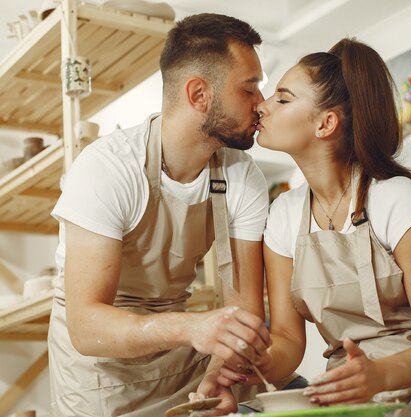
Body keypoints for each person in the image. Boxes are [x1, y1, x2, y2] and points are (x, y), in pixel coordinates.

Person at [218, 38, 411, 416]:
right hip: (352, 390)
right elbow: (288, 339)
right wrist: (252, 365)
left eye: (282, 99)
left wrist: (379, 376)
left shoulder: (397, 198)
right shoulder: (283, 216)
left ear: (325, 123)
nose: (262, 105)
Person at [47, 13, 275, 417]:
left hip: (183, 362)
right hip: (100, 370)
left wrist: (221, 376)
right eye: (249, 89)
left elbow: (244, 315)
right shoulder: (107, 167)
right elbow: (86, 325)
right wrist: (193, 328)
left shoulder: (243, 176)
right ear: (199, 94)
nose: (262, 104)